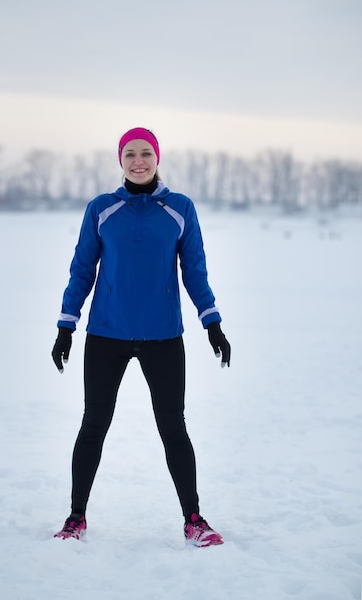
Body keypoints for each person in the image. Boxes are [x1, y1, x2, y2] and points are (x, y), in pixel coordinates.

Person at [52, 127, 231, 547]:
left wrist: (212, 322)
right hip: (106, 335)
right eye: (130, 154)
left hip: (163, 336)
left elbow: (195, 271)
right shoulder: (101, 208)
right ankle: (76, 518)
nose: (138, 160)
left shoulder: (180, 208)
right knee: (93, 425)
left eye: (145, 153)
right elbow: (82, 270)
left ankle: (194, 520)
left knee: (173, 428)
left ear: (157, 158)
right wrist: (65, 325)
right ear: (120, 161)